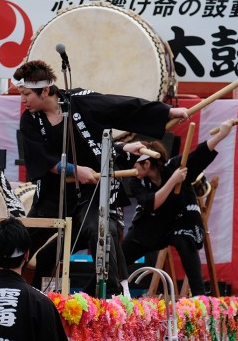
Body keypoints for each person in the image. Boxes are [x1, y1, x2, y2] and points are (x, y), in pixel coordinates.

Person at [14, 59, 188, 296]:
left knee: (100, 229)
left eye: (26, 94)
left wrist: (166, 111)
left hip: (90, 192)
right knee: (23, 241)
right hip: (54, 194)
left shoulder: (78, 101)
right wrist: (77, 170)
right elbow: (44, 159)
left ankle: (108, 294)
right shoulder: (30, 120)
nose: (23, 100)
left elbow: (118, 105)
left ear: (45, 90)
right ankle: (11, 288)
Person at [121, 119, 233, 296]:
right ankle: (94, 293)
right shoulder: (136, 181)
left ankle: (198, 294)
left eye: (135, 163)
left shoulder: (175, 166)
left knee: (183, 239)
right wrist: (173, 180)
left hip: (181, 221)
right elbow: (151, 203)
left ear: (147, 164)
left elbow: (199, 154)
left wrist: (221, 134)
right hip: (153, 225)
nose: (132, 167)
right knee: (121, 255)